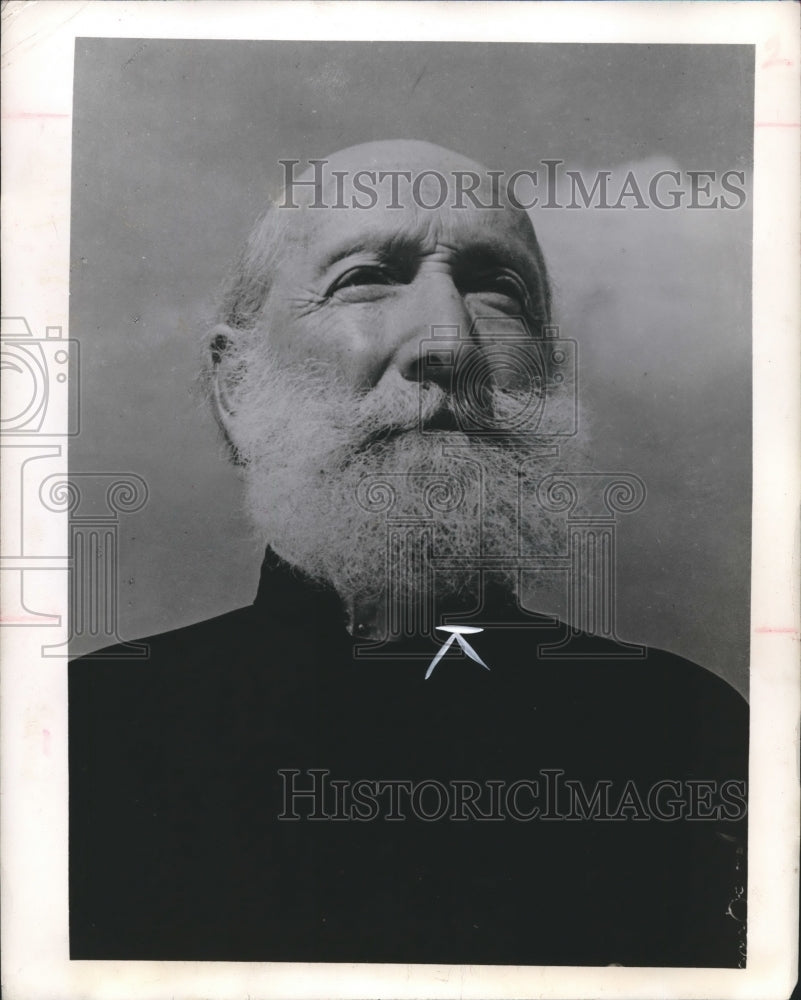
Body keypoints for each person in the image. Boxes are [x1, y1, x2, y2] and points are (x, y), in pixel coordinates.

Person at [69, 141, 748, 967]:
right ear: (234, 386)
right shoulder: (86, 741)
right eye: (365, 278)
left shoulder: (690, 733)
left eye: (497, 289)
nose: (449, 343)